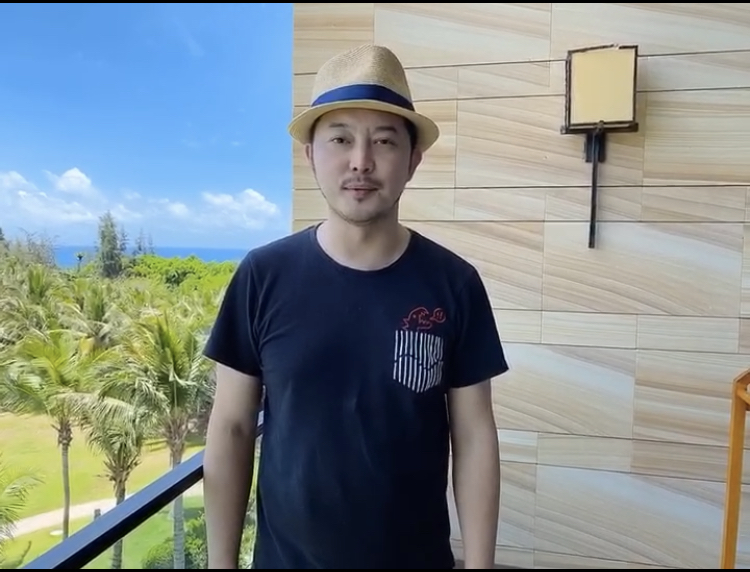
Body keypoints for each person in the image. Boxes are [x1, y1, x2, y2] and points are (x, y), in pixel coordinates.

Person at [202, 43, 509, 569]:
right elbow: (231, 427)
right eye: (341, 139)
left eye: (384, 141)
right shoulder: (263, 276)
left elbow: (474, 434)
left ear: (413, 160)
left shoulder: (455, 284)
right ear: (310, 155)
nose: (361, 161)